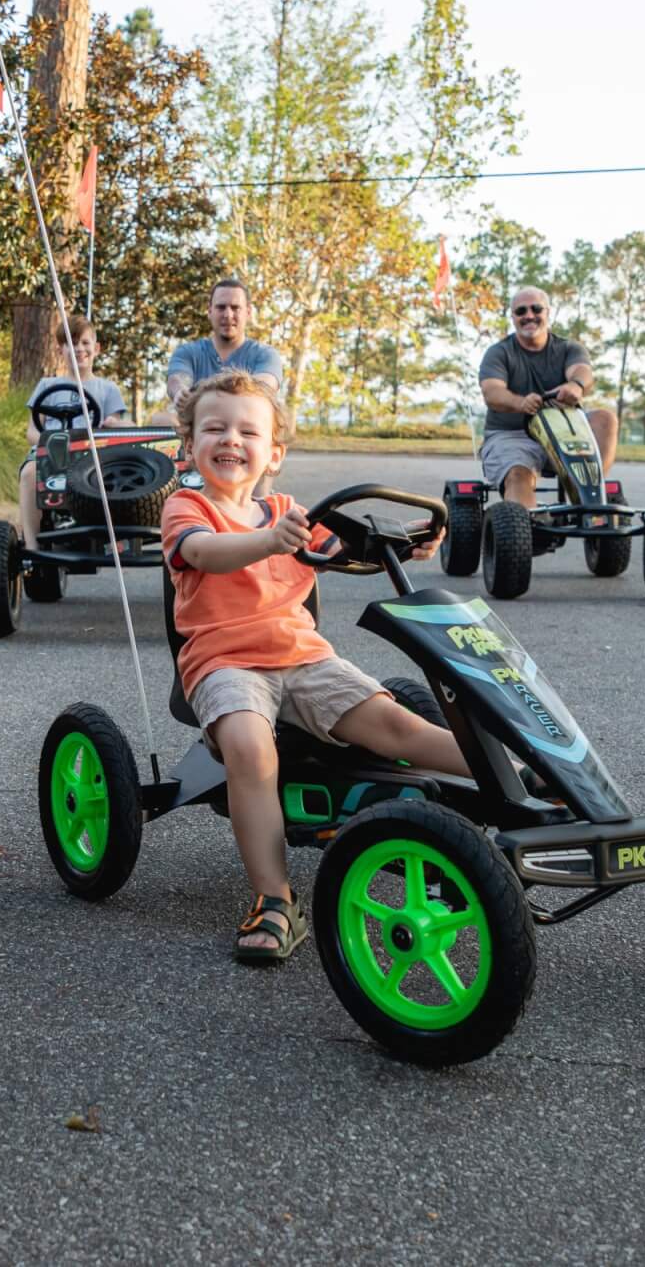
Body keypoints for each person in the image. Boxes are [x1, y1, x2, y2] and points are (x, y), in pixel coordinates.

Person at [162, 369, 466, 964]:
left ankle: (523, 779)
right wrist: (271, 541)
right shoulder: (187, 506)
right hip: (223, 664)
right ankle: (274, 899)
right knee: (252, 750)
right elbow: (201, 552)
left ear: (272, 452)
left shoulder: (289, 511)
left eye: (247, 431)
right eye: (215, 428)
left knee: (401, 728)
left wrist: (408, 541)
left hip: (303, 658)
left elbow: (346, 546)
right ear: (189, 446)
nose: (230, 440)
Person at [475, 285, 618, 508]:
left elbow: (582, 371)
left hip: (562, 433)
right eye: (521, 311)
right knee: (518, 474)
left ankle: (591, 499)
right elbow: (492, 392)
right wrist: (520, 403)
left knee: (605, 418)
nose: (529, 315)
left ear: (547, 313)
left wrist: (576, 386)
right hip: (511, 436)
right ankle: (526, 531)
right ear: (513, 317)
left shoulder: (569, 348)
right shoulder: (499, 352)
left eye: (536, 309)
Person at [18, 315, 127, 542]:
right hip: (52, 452)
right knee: (30, 472)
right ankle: (32, 548)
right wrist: (50, 445)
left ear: (96, 348)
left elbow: (114, 424)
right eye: (71, 343)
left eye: (85, 343)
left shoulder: (107, 388)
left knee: (118, 471)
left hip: (94, 453)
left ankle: (115, 534)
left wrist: (113, 424)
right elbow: (31, 431)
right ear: (61, 350)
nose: (79, 349)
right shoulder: (47, 385)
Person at [163, 278, 285, 410]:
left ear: (248, 313)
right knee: (160, 420)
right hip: (199, 428)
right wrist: (180, 392)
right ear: (209, 311)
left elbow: (263, 387)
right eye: (221, 307)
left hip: (245, 426)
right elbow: (177, 380)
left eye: (235, 308)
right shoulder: (187, 353)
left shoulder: (265, 355)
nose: (228, 314)